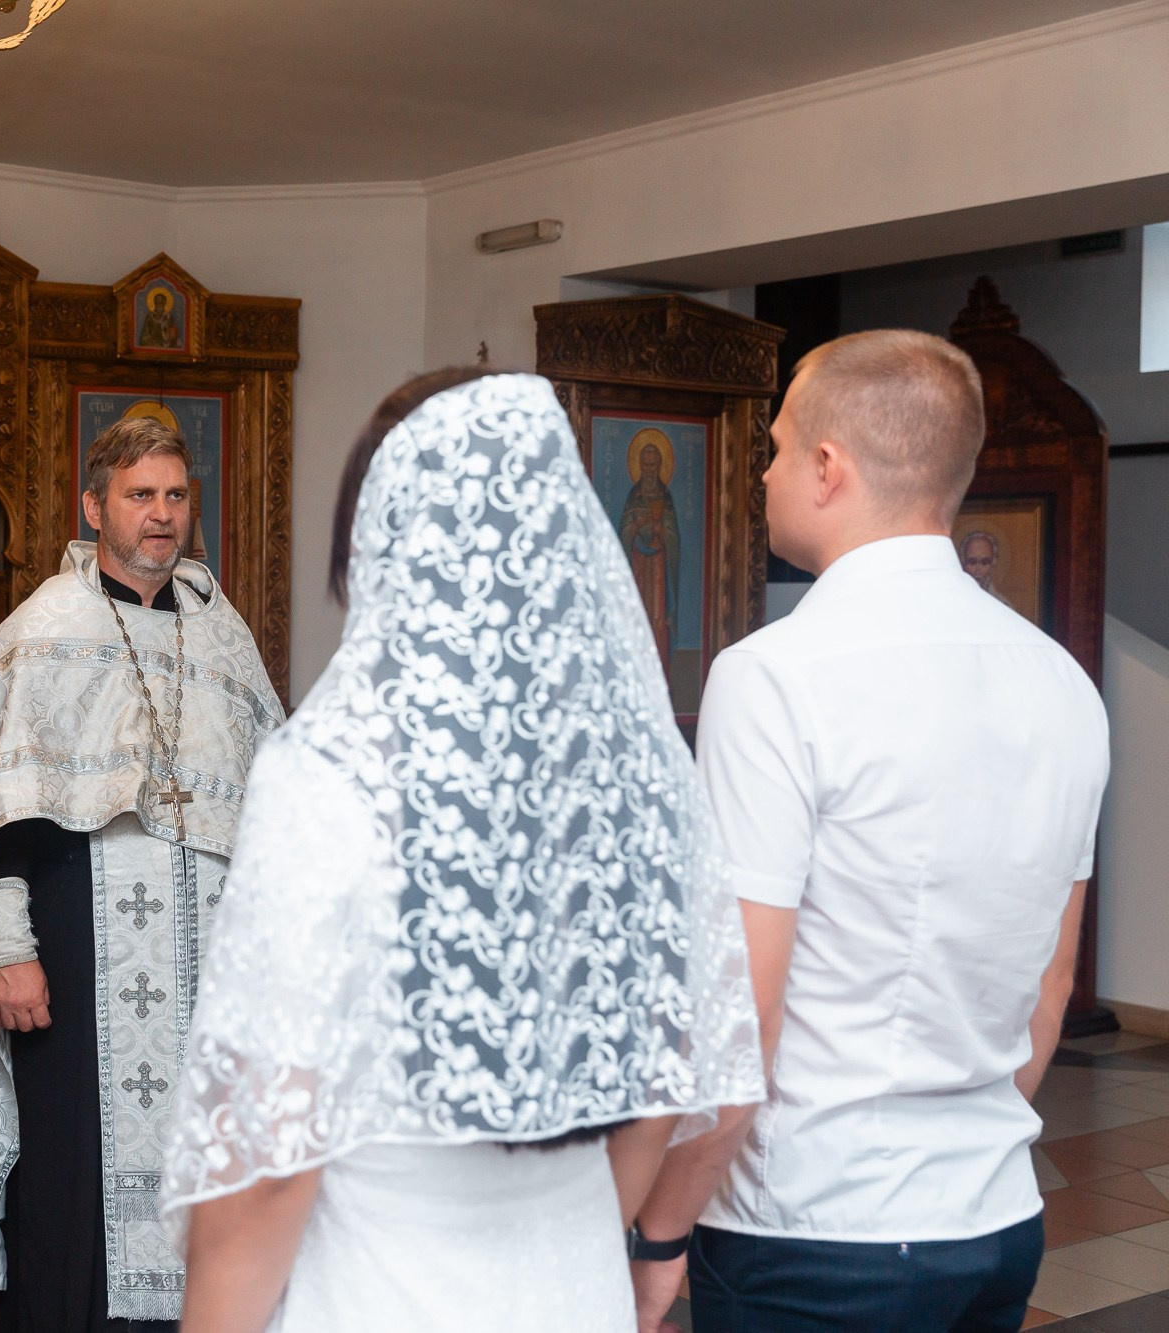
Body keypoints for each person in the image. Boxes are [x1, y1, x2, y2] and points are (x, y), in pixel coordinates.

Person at [158, 369, 763, 1333]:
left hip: (384, 1291)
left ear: (381, 536)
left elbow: (269, 1167)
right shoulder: (629, 776)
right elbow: (672, 1072)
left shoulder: (335, 769)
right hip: (574, 1289)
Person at [628, 330, 1109, 1333]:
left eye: (770, 448)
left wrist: (658, 1230)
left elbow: (739, 1009)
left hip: (814, 1230)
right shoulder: (1061, 681)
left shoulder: (773, 674)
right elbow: (1049, 986)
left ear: (825, 467)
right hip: (991, 1214)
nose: (758, 474)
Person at [0, 415, 285, 1330]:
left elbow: (273, 798)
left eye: (176, 496)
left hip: (213, 971)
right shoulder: (46, 631)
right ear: (95, 507)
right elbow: (4, 816)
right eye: (139, 496)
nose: (161, 516)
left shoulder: (224, 637)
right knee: (69, 1187)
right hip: (76, 965)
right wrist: (9, 951)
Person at [620, 433, 680, 666]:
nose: (648, 470)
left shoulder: (665, 497)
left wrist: (660, 530)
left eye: (653, 465)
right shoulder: (633, 496)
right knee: (636, 616)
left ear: (660, 466)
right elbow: (624, 532)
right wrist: (635, 526)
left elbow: (673, 536)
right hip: (637, 565)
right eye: (644, 464)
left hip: (658, 569)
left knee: (657, 619)